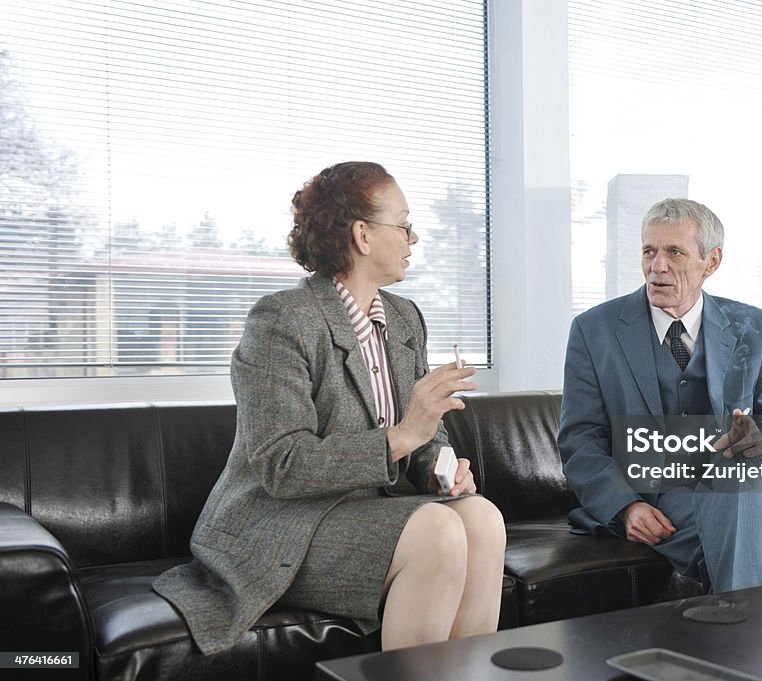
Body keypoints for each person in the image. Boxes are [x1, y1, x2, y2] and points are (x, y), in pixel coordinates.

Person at [153, 161, 506, 654]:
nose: (414, 237)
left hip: (363, 515)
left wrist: (438, 469)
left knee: (483, 517)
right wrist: (405, 435)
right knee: (438, 530)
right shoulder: (283, 319)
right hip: (281, 525)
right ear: (363, 235)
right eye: (403, 225)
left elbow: (424, 434)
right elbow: (283, 465)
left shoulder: (404, 318)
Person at [557, 197, 762, 592]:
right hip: (655, 493)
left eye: (674, 252)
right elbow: (580, 439)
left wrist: (761, 442)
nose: (656, 266)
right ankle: (757, 637)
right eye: (649, 251)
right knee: (760, 517)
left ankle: (741, 636)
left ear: (711, 262)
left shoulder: (757, 328)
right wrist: (625, 505)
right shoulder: (594, 330)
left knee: (744, 480)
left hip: (735, 487)